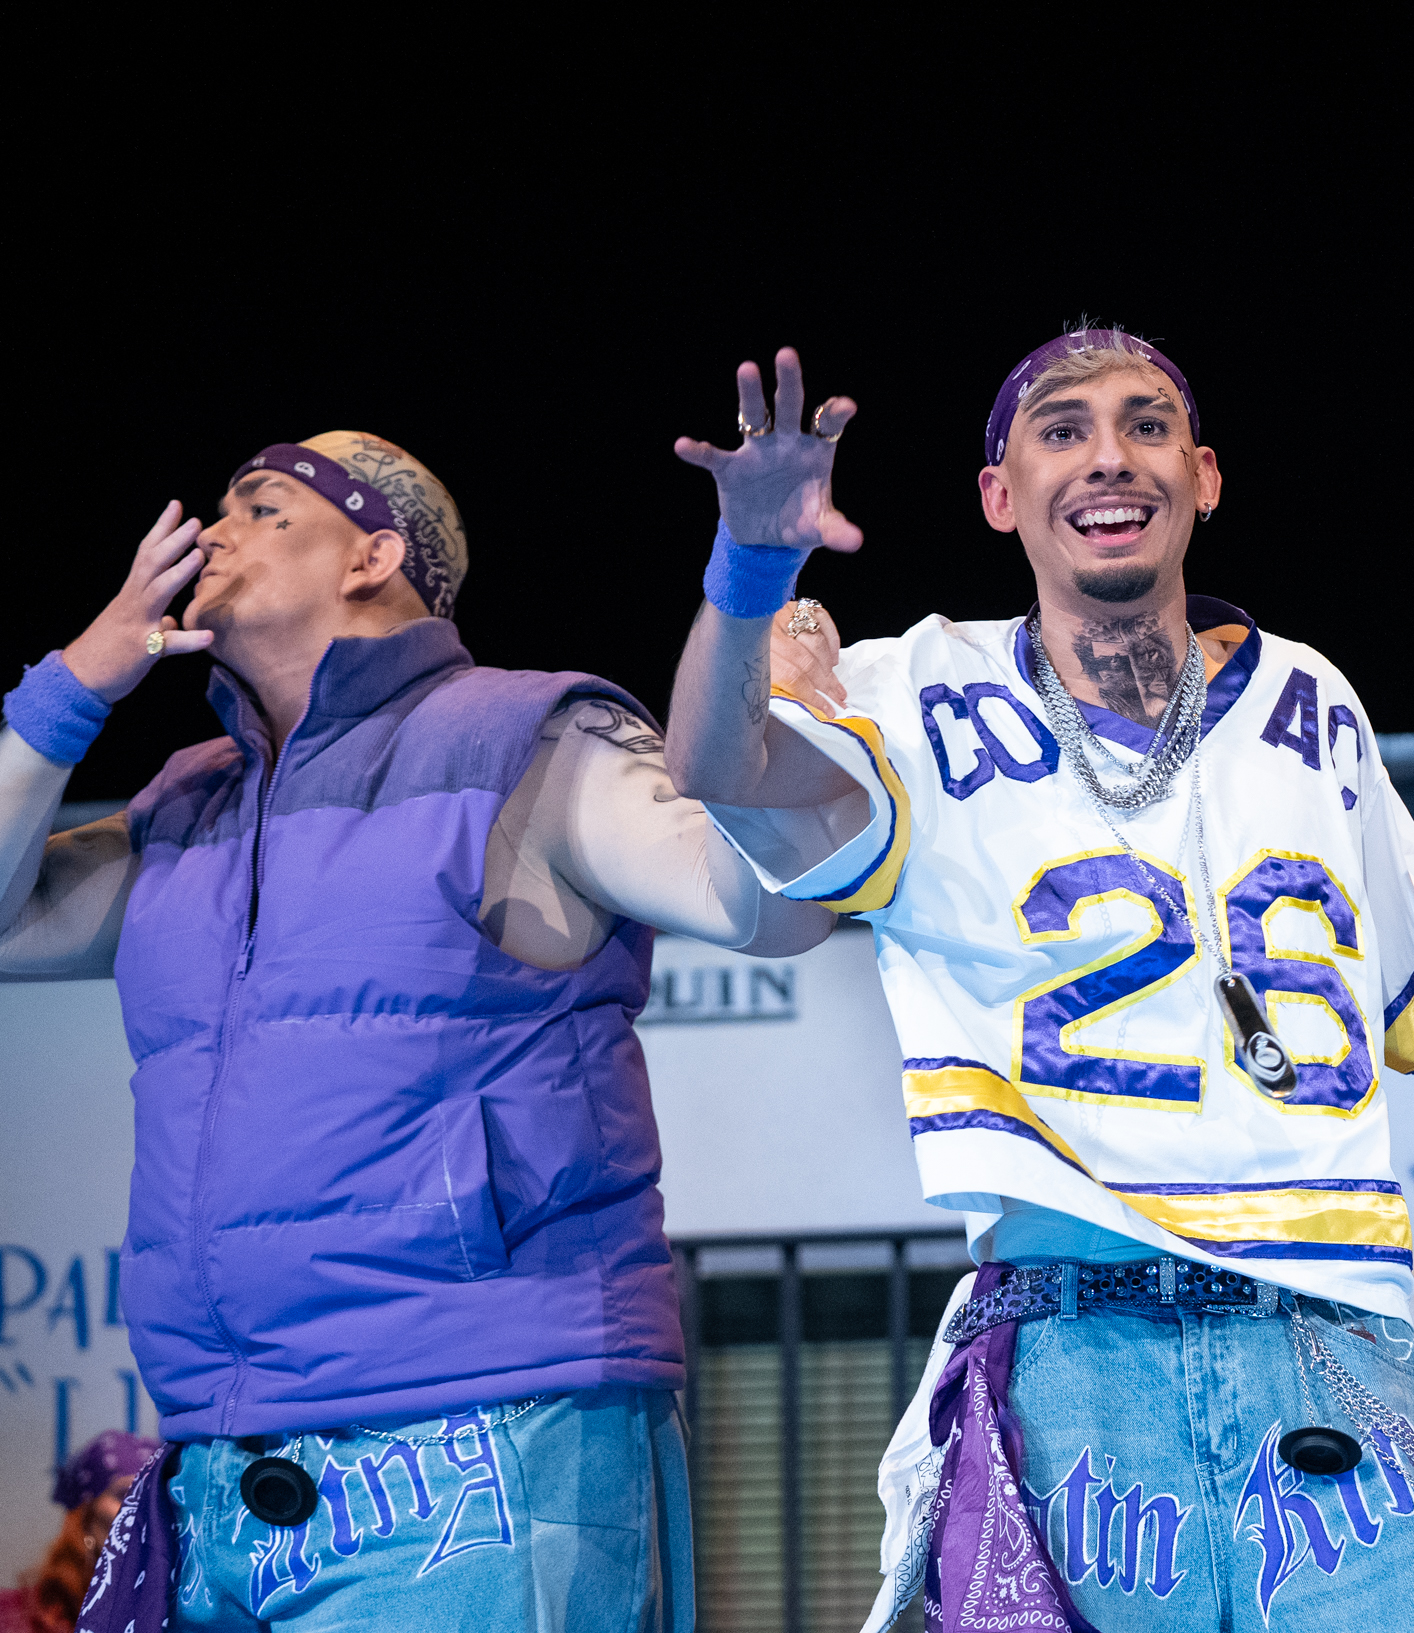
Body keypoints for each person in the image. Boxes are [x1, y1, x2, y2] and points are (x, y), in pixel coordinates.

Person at [659, 328, 1414, 1631]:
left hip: (1321, 1334)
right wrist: (751, 564)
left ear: (1202, 476)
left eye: (1145, 426)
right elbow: (723, 772)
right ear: (998, 494)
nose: (1107, 456)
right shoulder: (916, 691)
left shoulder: (1308, 699)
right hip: (1073, 1340)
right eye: (1063, 430)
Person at [0, 432, 836, 1630]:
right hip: (226, 1468)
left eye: (264, 507)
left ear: (372, 553)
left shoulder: (522, 738)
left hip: (486, 1438)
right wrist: (73, 683)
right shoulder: (188, 802)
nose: (212, 531)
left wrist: (760, 635)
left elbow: (761, 900)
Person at [0, 1431, 159, 1633]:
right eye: (124, 1495)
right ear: (86, 1513)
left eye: (155, 1496)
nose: (142, 1509)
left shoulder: (186, 1606)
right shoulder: (18, 1617)